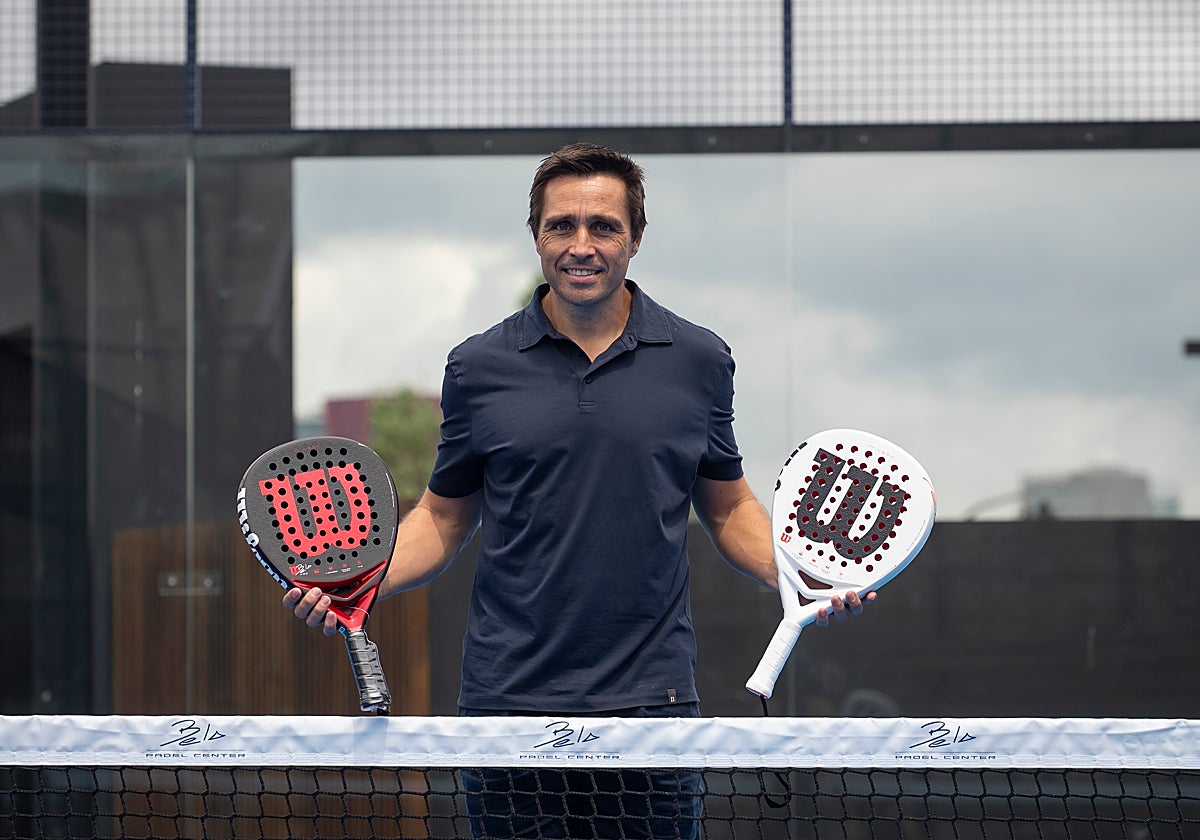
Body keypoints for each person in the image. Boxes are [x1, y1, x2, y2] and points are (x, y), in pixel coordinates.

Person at [284, 143, 873, 839]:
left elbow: (729, 505)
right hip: (507, 704)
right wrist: (362, 582)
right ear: (536, 235)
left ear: (637, 238)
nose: (581, 245)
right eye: (561, 226)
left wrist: (795, 574)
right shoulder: (477, 367)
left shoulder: (700, 360)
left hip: (652, 705)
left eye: (604, 226)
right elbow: (443, 517)